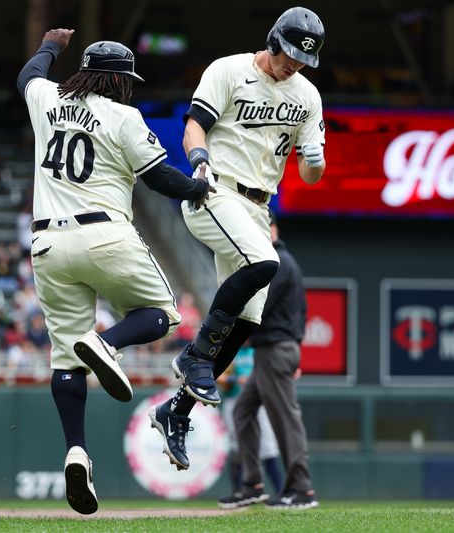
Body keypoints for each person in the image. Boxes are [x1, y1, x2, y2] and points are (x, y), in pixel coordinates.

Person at [16, 27, 213, 515]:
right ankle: (108, 343)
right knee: (165, 313)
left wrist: (49, 47)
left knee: (65, 360)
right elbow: (158, 177)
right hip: (104, 234)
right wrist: (198, 188)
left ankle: (76, 451)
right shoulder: (124, 115)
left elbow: (28, 75)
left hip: (46, 242)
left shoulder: (46, 99)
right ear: (122, 82)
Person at [149, 6, 326, 472]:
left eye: (303, 58)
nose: (294, 64)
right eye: (289, 53)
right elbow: (194, 126)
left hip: (257, 204)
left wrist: (314, 161)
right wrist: (199, 159)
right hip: (215, 188)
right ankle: (194, 359)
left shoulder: (307, 95)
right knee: (266, 262)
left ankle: (176, 411)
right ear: (272, 40)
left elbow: (309, 174)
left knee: (249, 320)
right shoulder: (228, 69)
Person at [229, 214, 318, 509]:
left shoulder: (277, 261)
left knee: (285, 419)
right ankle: (252, 483)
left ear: (273, 229)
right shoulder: (278, 260)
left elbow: (259, 309)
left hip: (276, 349)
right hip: (273, 350)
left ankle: (302, 489)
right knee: (242, 411)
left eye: (262, 226)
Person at [216, 346, 283, 509]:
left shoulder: (257, 350)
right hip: (234, 400)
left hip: (259, 401)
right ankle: (239, 493)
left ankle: (282, 493)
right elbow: (217, 375)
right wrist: (235, 379)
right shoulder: (230, 348)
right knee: (237, 447)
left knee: (268, 447)